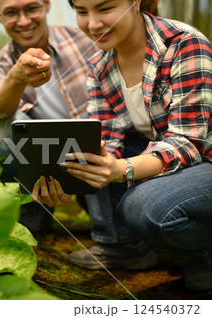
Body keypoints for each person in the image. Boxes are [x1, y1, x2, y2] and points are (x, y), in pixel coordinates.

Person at [34, 0, 212, 291]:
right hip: (169, 153)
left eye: (105, 9)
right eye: (81, 12)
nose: (92, 24)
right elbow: (106, 139)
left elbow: (188, 142)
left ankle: (206, 252)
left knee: (145, 208)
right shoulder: (100, 65)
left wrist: (121, 169)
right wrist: (68, 180)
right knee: (87, 156)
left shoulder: (182, 44)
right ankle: (122, 248)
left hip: (205, 158)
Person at [0, 0, 98, 234]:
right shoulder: (1, 63)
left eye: (31, 8)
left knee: (121, 219)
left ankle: (95, 203)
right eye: (11, 13)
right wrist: (16, 77)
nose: (24, 21)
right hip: (41, 159)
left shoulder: (85, 42)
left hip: (93, 152)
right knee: (1, 130)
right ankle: (35, 206)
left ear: (46, 5)